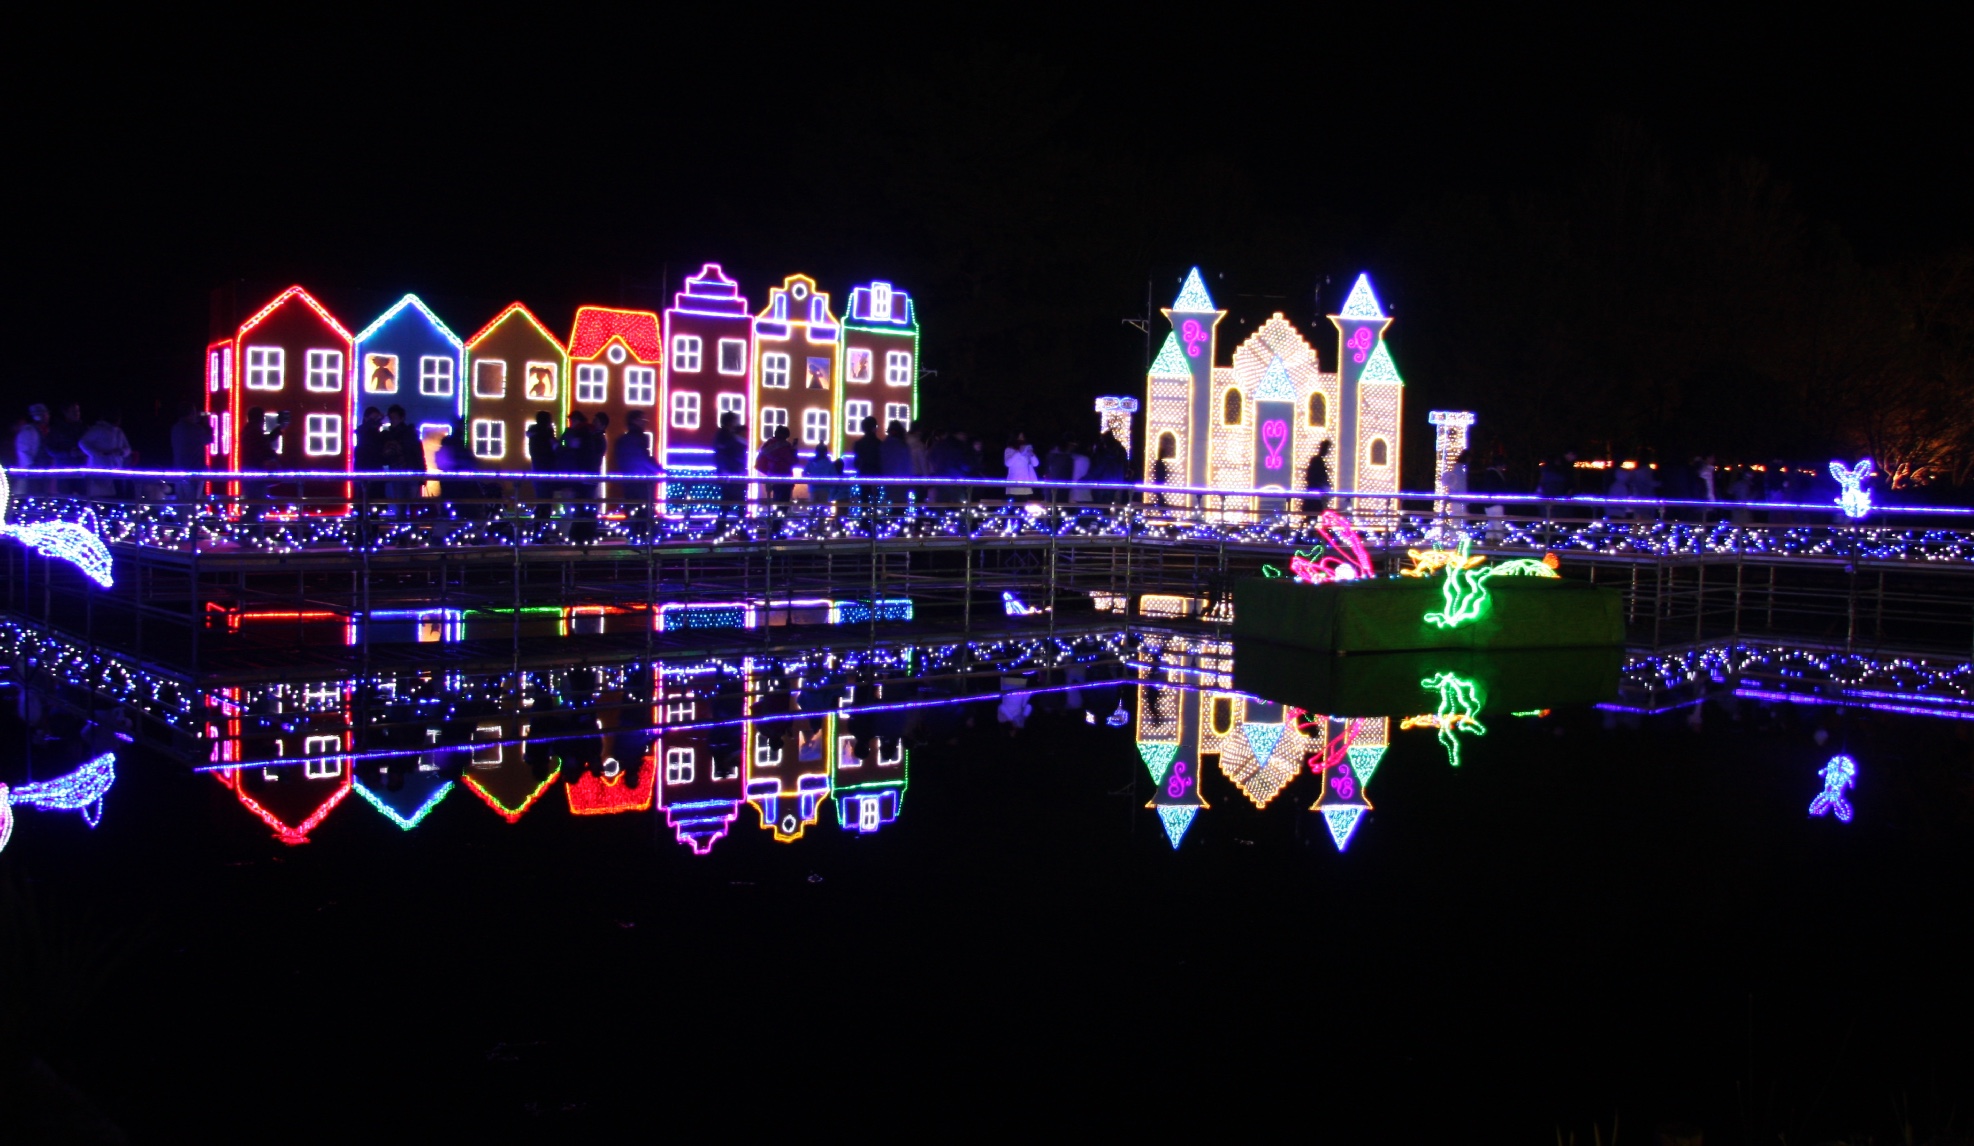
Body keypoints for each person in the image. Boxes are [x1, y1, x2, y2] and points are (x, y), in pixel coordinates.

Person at [169, 404, 214, 505]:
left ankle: (182, 516)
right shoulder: (196, 429)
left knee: (180, 502)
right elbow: (209, 439)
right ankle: (190, 515)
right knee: (192, 502)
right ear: (191, 413)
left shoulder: (175, 428)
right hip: (194, 470)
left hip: (178, 470)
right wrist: (206, 424)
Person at [712, 411, 747, 526]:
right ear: (729, 422)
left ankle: (722, 527)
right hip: (730, 474)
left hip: (731, 474)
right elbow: (724, 452)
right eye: (734, 420)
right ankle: (739, 528)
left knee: (727, 504)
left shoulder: (724, 435)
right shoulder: (725, 436)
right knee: (737, 503)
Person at [526, 411, 559, 520]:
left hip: (536, 469)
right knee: (546, 500)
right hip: (548, 471)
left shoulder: (533, 434)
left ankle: (538, 523)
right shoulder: (547, 434)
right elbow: (554, 448)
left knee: (540, 499)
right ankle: (544, 522)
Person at [756, 425, 797, 504]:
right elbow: (792, 461)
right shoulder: (785, 447)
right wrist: (794, 450)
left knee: (777, 496)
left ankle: (776, 509)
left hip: (772, 473)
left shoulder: (768, 445)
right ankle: (781, 510)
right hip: (785, 474)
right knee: (784, 499)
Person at [854, 417, 886, 513]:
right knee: (877, 503)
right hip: (877, 476)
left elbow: (856, 462)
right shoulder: (880, 444)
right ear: (874, 428)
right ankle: (875, 519)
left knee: (864, 502)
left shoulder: (859, 444)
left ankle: (864, 519)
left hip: (863, 475)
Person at [1003, 432, 1039, 501]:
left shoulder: (1027, 451)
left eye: (1023, 437)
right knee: (1014, 504)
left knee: (1024, 504)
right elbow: (1008, 463)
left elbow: (1036, 464)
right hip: (1014, 483)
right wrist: (1019, 452)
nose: (1022, 439)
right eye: (1020, 437)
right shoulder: (1009, 450)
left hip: (1025, 483)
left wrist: (1031, 454)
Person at [1302, 439, 1333, 516]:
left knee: (1312, 515)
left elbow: (1311, 476)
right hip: (1316, 494)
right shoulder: (1318, 461)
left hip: (1314, 493)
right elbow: (1317, 477)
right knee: (1314, 514)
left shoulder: (1317, 460)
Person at [14, 403, 48, 471]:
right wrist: (30, 466)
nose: (47, 416)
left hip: (45, 466)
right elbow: (23, 451)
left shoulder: (45, 429)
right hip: (32, 468)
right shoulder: (28, 431)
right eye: (44, 414)